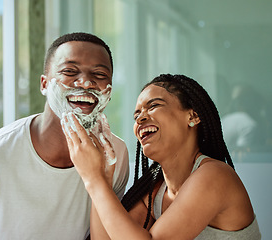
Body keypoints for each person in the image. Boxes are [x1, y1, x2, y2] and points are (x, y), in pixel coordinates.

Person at [0, 32, 129, 240]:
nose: (86, 82)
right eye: (69, 71)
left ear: (109, 90)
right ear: (44, 84)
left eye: (100, 75)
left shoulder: (114, 155)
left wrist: (98, 177)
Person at [61, 74, 261, 239]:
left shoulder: (215, 175)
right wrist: (103, 178)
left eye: (153, 105)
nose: (141, 117)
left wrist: (93, 180)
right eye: (136, 114)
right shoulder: (155, 192)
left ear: (192, 117)